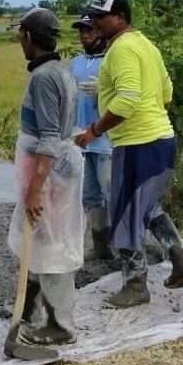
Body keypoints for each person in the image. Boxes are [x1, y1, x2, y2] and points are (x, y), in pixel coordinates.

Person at [75, 0, 183, 310]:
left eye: (102, 17)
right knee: (146, 208)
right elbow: (166, 90)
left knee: (125, 212)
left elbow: (127, 101)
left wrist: (94, 131)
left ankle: (135, 285)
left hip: (137, 144)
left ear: (121, 18)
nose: (96, 22)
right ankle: (181, 262)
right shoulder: (147, 45)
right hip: (161, 140)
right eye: (94, 16)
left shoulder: (122, 49)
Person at [6, 7, 84, 347]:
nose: (19, 42)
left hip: (48, 172)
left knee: (51, 242)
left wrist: (36, 189)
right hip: (49, 169)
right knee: (38, 238)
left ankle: (59, 325)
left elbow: (50, 137)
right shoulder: (59, 71)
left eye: (19, 35)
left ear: (27, 36)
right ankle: (30, 310)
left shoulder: (43, 77)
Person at [69, 13, 113, 261]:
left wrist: (105, 90)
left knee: (112, 194)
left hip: (106, 141)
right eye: (82, 32)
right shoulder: (75, 63)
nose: (85, 36)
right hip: (82, 141)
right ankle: (101, 247)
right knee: (90, 196)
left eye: (91, 31)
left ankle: (128, 251)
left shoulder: (111, 61)